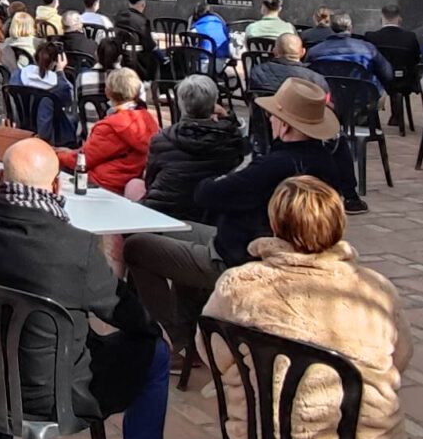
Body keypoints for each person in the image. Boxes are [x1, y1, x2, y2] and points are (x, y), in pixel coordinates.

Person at [0, 137, 181, 439]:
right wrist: (152, 328)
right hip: (55, 395)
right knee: (155, 353)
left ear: (1, 178)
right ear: (56, 187)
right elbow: (125, 313)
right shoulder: (75, 248)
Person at [201, 176, 412, 439]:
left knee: (292, 406)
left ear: (275, 225)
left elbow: (212, 351)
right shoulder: (375, 289)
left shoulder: (240, 286)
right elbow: (401, 358)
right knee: (347, 411)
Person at [123, 80, 360, 360]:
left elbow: (208, 194)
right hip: (256, 244)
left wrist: (220, 180)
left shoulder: (273, 166)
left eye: (275, 115)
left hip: (238, 257)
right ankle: (189, 331)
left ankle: (172, 340)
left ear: (285, 126)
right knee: (168, 227)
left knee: (135, 247)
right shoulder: (325, 162)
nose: (270, 119)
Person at [139, 76, 250, 222]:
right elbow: (243, 149)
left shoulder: (162, 139)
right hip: (206, 214)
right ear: (214, 104)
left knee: (135, 185)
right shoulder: (228, 140)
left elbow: (150, 181)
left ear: (180, 103)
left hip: (164, 211)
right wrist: (228, 118)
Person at [60, 68, 156, 194]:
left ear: (108, 92)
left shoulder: (111, 126)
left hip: (102, 183)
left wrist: (57, 154)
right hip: (128, 181)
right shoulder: (148, 119)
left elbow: (83, 160)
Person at [308, 14, 393, 84]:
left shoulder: (314, 52)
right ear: (350, 28)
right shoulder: (368, 49)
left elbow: (308, 77)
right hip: (363, 96)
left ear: (330, 28)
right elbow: (387, 74)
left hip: (328, 96)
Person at [245, 33, 327, 101]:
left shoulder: (258, 72)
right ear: (303, 52)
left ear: (274, 51)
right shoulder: (317, 80)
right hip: (302, 116)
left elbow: (251, 100)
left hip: (266, 115)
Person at [367, 6, 422, 90]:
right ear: (399, 19)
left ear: (381, 18)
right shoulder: (410, 37)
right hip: (405, 82)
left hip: (379, 82)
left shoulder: (371, 37)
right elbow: (416, 60)